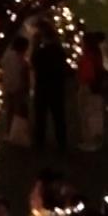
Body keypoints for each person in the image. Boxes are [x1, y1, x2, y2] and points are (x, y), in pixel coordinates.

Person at [32, 23, 68, 151]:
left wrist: (35, 45)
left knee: (41, 117)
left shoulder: (41, 52)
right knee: (59, 116)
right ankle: (62, 142)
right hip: (56, 88)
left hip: (43, 88)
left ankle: (39, 142)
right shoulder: (59, 51)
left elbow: (34, 62)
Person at [76, 31, 107, 151]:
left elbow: (88, 74)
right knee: (96, 114)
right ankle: (96, 140)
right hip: (96, 87)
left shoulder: (88, 56)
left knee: (88, 114)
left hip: (88, 87)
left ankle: (90, 141)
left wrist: (81, 81)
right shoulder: (98, 55)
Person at [0, 36, 31, 144]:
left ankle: (9, 132)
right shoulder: (21, 59)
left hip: (8, 86)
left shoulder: (7, 56)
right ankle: (18, 134)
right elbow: (23, 75)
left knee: (10, 111)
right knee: (19, 112)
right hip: (18, 88)